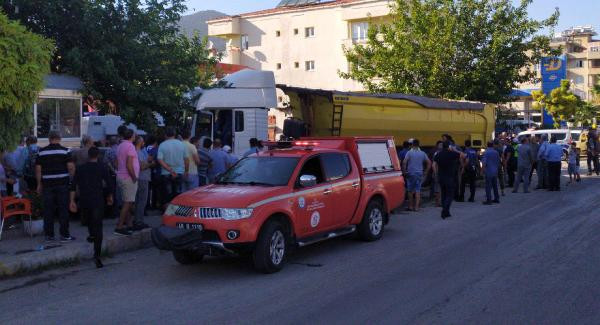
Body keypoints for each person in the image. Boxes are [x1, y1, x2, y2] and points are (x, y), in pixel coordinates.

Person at [69, 147, 113, 268]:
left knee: (88, 221)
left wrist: (72, 201)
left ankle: (92, 234)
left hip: (84, 200)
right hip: (97, 199)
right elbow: (109, 183)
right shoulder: (102, 167)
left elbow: (73, 185)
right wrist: (109, 196)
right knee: (98, 225)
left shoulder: (81, 168)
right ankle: (97, 256)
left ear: (88, 155)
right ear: (98, 155)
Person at [35, 131, 76, 242]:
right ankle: (64, 235)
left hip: (47, 184)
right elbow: (71, 167)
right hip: (62, 184)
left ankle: (49, 235)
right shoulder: (66, 151)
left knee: (48, 210)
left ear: (49, 139)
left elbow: (38, 169)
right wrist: (72, 181)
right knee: (63, 210)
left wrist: (39, 184)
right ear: (60, 138)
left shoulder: (41, 152)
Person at [115, 128, 139, 236]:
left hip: (120, 176)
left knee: (127, 201)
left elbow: (116, 162)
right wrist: (134, 176)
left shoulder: (120, 145)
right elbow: (129, 164)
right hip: (128, 178)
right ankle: (119, 226)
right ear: (131, 136)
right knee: (127, 203)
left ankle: (129, 224)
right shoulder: (130, 146)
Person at [157, 127, 189, 207]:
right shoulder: (181, 144)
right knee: (177, 195)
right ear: (175, 134)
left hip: (166, 173)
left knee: (167, 196)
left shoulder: (162, 145)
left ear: (165, 135)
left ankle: (167, 213)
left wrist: (169, 169)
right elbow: (186, 159)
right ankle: (175, 213)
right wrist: (186, 171)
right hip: (179, 172)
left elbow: (159, 159)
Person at [433, 141, 465, 219]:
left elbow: (434, 163)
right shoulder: (452, 153)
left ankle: (447, 212)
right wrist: (454, 149)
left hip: (441, 177)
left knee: (444, 194)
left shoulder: (438, 154)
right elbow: (463, 155)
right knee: (450, 195)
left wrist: (436, 174)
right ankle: (444, 210)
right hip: (449, 177)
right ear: (449, 146)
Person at [402, 139, 431, 212]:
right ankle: (417, 207)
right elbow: (429, 163)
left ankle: (410, 206)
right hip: (419, 173)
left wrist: (404, 171)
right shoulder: (422, 153)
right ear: (418, 145)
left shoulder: (409, 153)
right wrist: (426, 172)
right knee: (418, 190)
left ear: (412, 145)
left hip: (411, 173)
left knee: (410, 191)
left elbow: (404, 162)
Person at [134, 136, 152, 230]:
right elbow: (142, 166)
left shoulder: (139, 151)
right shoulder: (138, 152)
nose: (144, 142)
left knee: (138, 200)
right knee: (142, 200)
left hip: (140, 178)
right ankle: (139, 221)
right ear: (140, 142)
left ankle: (137, 220)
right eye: (142, 141)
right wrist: (151, 164)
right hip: (142, 178)